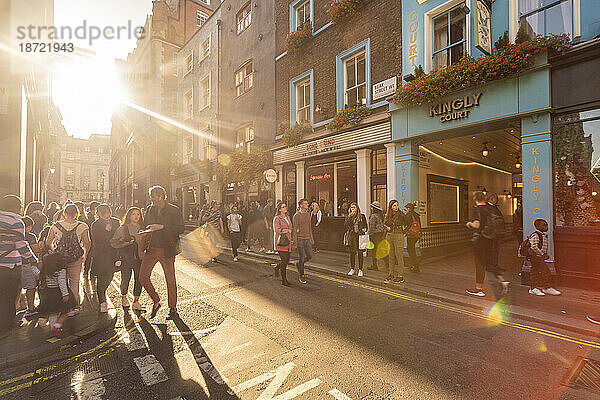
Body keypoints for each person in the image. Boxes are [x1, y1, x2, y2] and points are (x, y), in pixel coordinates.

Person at [140, 186, 185, 320]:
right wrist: (145, 230)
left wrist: (162, 227)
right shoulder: (150, 209)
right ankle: (156, 300)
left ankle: (173, 308)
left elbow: (181, 228)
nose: (151, 199)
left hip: (167, 249)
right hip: (151, 247)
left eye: (153, 197)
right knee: (143, 277)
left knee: (170, 280)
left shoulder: (173, 209)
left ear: (160, 196)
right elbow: (146, 224)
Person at [0, 195, 39, 340]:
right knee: (8, 297)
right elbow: (21, 245)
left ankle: (9, 322)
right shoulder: (16, 221)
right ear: (15, 206)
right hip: (11, 265)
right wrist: (33, 260)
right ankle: (4, 328)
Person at [45, 203, 91, 313]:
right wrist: (85, 254)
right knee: (74, 282)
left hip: (59, 259)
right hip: (76, 258)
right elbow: (87, 242)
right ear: (77, 214)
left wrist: (53, 253)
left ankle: (63, 306)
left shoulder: (56, 225)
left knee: (62, 282)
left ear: (64, 214)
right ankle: (74, 307)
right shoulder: (82, 226)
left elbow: (48, 242)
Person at [465, 191, 510, 298]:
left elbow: (477, 225)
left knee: (479, 264)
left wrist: (469, 224)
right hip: (490, 239)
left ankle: (479, 289)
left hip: (480, 240)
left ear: (475, 199)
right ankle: (502, 281)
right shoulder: (490, 209)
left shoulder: (476, 209)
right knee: (489, 263)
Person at [110, 207, 145, 311]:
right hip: (127, 258)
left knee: (139, 280)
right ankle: (124, 297)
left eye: (138, 214)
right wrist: (124, 243)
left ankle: (136, 301)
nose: (136, 216)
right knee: (126, 278)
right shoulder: (123, 228)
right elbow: (113, 242)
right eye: (134, 214)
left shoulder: (143, 228)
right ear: (129, 215)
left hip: (140, 258)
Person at [37, 252, 76, 337]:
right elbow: (62, 283)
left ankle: (53, 329)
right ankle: (56, 326)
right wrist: (65, 294)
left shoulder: (46, 270)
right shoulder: (61, 271)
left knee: (52, 313)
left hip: (49, 293)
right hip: (58, 293)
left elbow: (40, 279)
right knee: (66, 311)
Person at [89, 204, 119, 313]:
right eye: (103, 213)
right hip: (101, 255)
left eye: (108, 212)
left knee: (110, 276)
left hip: (113, 254)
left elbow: (119, 235)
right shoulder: (95, 225)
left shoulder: (116, 222)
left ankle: (102, 294)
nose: (106, 215)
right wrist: (106, 231)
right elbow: (97, 240)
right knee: (101, 278)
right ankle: (102, 302)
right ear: (98, 214)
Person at [527, 218, 561, 296]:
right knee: (545, 272)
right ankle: (546, 287)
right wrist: (542, 254)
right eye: (544, 225)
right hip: (536, 257)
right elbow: (534, 247)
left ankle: (534, 288)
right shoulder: (536, 235)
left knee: (535, 272)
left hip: (539, 256)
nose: (547, 227)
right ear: (538, 226)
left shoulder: (542, 235)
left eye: (547, 225)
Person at [20, 216, 40, 318]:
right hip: (27, 264)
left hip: (15, 264)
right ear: (28, 227)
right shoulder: (30, 236)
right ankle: (31, 308)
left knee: (17, 287)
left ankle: (16, 306)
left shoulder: (13, 235)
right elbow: (36, 250)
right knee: (31, 286)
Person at [384, 200, 406, 283]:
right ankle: (391, 274)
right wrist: (386, 227)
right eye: (394, 206)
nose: (396, 207)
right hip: (389, 235)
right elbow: (384, 223)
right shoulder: (388, 215)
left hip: (398, 235)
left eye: (397, 205)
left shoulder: (401, 214)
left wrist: (404, 231)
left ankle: (400, 276)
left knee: (399, 256)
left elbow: (409, 223)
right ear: (391, 207)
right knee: (391, 256)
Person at [292, 198, 313, 284]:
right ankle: (301, 275)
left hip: (307, 238)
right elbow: (294, 229)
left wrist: (311, 238)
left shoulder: (308, 214)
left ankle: (299, 264)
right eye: (305, 204)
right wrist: (295, 242)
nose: (307, 205)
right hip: (300, 239)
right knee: (302, 256)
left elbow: (309, 227)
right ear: (301, 205)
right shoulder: (296, 215)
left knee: (310, 255)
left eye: (307, 203)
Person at [345, 202, 367, 277]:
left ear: (357, 208)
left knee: (360, 253)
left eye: (354, 207)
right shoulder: (349, 216)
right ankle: (352, 268)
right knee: (352, 253)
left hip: (360, 236)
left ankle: (360, 269)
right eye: (351, 207)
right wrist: (349, 217)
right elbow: (345, 225)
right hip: (352, 236)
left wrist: (364, 229)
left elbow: (366, 225)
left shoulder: (362, 216)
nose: (353, 209)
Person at [273, 202, 292, 286]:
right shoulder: (277, 218)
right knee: (284, 261)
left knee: (287, 260)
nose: (285, 208)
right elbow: (277, 230)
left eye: (285, 206)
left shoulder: (287, 217)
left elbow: (291, 227)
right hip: (281, 242)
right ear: (280, 209)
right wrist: (286, 230)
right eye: (283, 207)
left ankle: (277, 267)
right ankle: (284, 280)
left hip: (287, 241)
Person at [367, 201, 388, 271]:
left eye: (371, 207)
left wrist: (369, 235)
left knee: (374, 251)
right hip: (381, 234)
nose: (370, 208)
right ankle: (387, 264)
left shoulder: (373, 216)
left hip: (375, 235)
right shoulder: (381, 215)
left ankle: (374, 266)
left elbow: (372, 227)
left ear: (373, 208)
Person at [404, 202, 422, 273]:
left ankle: (416, 266)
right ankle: (415, 265)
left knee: (410, 250)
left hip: (411, 235)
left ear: (408, 209)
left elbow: (407, 224)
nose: (406, 210)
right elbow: (419, 225)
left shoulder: (409, 215)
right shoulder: (416, 215)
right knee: (412, 249)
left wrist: (403, 231)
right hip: (416, 235)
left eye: (406, 209)